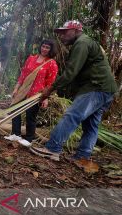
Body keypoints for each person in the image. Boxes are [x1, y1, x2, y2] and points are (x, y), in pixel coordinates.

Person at [30, 20, 118, 161]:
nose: (62, 36)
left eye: (65, 32)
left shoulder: (82, 43)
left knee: (72, 115)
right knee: (91, 124)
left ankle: (52, 149)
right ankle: (83, 157)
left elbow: (71, 72)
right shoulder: (86, 42)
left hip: (96, 87)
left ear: (76, 30)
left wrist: (51, 88)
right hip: (107, 90)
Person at [6, 39, 58, 143]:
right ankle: (16, 134)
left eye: (47, 47)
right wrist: (16, 88)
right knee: (15, 109)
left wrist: (45, 98)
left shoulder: (51, 63)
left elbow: (50, 83)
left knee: (31, 116)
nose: (44, 49)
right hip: (24, 91)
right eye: (43, 46)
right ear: (40, 46)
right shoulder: (31, 58)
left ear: (51, 49)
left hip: (37, 94)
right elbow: (23, 75)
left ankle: (29, 138)